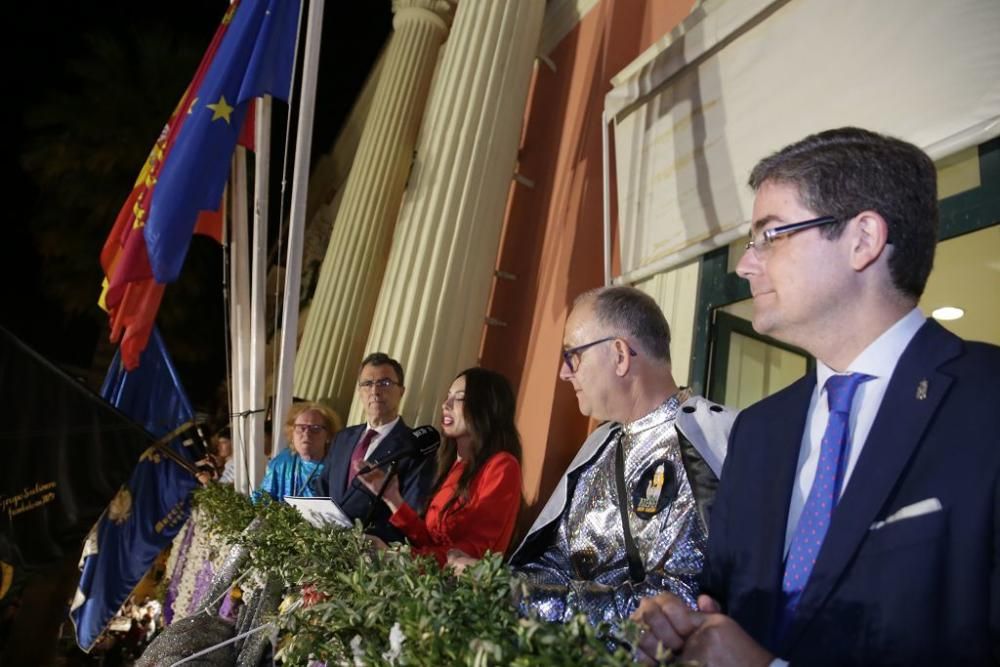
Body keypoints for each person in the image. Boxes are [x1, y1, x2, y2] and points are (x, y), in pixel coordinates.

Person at [634, 127, 1000, 666]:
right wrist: (684, 630)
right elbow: (726, 610)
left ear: (862, 240)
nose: (744, 264)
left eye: (770, 234)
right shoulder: (758, 431)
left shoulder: (986, 399)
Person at [503, 286, 734, 629]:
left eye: (573, 356)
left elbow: (676, 605)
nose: (565, 373)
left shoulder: (700, 446)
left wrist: (528, 599)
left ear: (620, 355)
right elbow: (552, 558)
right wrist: (495, 584)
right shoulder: (600, 446)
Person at [357, 367, 523, 566]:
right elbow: (432, 541)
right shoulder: (453, 465)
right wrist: (393, 498)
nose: (446, 404)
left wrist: (396, 557)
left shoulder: (502, 466)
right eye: (447, 396)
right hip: (426, 581)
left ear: (487, 407)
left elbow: (472, 553)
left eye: (459, 398)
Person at [318, 353, 436, 542]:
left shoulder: (414, 447)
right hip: (328, 546)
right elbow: (322, 489)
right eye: (367, 384)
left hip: (373, 553)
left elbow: (412, 509)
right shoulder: (343, 438)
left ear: (401, 391)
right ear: (359, 392)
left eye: (385, 383)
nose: (375, 391)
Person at [254, 402, 341, 502]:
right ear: (292, 433)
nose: (306, 433)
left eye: (315, 428)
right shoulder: (282, 462)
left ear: (328, 436)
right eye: (301, 428)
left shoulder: (337, 466)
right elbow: (262, 498)